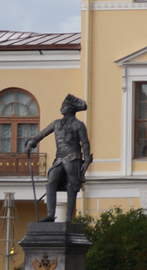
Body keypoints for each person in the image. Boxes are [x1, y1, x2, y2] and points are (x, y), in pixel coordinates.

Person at [22, 95, 93, 223]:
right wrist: (31, 143)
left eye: (64, 106)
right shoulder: (56, 123)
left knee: (71, 186)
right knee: (51, 181)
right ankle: (50, 214)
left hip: (73, 158)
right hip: (59, 158)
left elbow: (85, 143)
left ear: (70, 109)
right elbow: (42, 133)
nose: (61, 108)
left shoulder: (79, 125)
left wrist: (87, 160)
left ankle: (68, 218)